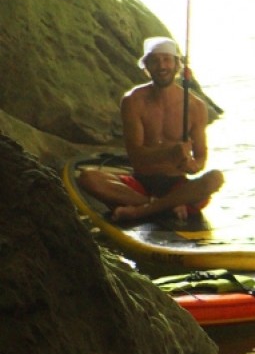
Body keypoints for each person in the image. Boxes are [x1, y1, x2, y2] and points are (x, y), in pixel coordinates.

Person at [78, 37, 223, 222]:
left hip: (177, 186)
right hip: (141, 183)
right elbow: (135, 155)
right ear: (146, 66)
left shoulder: (195, 106)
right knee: (88, 178)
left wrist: (193, 166)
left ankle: (141, 210)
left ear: (177, 64)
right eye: (155, 60)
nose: (161, 66)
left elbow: (201, 156)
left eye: (167, 59)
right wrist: (168, 153)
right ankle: (162, 206)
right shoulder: (133, 101)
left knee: (215, 179)